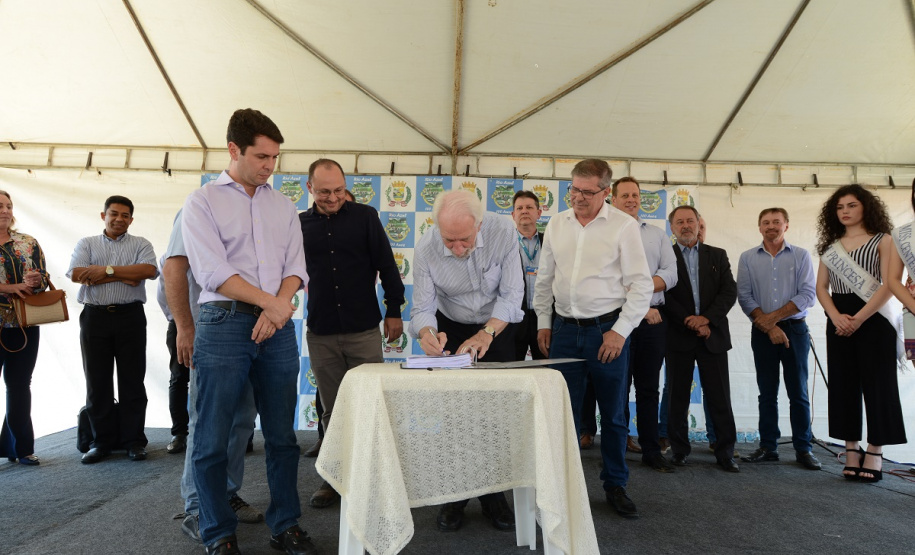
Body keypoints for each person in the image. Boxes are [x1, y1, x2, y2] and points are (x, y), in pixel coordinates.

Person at [182, 108, 318, 554]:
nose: (270, 166)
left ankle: (286, 524)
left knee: (282, 435)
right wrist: (272, 304)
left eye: (275, 157)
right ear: (233, 150)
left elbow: (295, 267)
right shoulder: (201, 202)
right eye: (261, 156)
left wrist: (278, 308)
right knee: (212, 434)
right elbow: (210, 271)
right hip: (223, 324)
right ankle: (217, 533)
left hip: (276, 328)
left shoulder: (283, 206)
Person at [533, 160, 653, 519]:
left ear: (605, 191)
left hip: (607, 331)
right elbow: (544, 278)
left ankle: (615, 485)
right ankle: (559, 489)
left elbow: (641, 285)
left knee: (613, 416)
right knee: (561, 414)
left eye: (587, 191)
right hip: (564, 331)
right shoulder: (556, 223)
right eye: (573, 189)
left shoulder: (624, 226)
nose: (578, 197)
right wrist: (543, 321)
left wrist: (620, 331)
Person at [411, 189, 523, 533]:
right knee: (455, 414)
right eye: (450, 241)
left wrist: (487, 333)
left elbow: (512, 294)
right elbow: (422, 308)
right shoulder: (426, 248)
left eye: (465, 240)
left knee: (497, 415)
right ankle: (454, 495)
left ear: (480, 224)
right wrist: (428, 332)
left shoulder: (504, 231)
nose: (457, 249)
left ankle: (493, 496)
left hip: (499, 326)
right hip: (452, 325)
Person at [299, 158, 405, 508]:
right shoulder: (297, 225)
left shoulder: (365, 217)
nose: (333, 198)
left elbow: (387, 265)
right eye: (325, 191)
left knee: (370, 407)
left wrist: (393, 310)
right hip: (322, 332)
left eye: (339, 190)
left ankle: (373, 478)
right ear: (309, 188)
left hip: (363, 330)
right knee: (333, 411)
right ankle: (334, 480)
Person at [159, 211, 263, 543]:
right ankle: (197, 506)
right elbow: (171, 273)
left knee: (242, 420)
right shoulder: (198, 209)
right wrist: (184, 327)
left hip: (247, 331)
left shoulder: (255, 215)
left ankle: (227, 493)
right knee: (207, 421)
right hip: (206, 329)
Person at [815, 184, 906, 483]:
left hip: (874, 317)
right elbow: (821, 287)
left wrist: (859, 318)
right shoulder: (831, 247)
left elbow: (889, 285)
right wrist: (835, 316)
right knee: (843, 383)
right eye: (840, 207)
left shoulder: (885, 240)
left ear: (866, 206)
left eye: (851, 205)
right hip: (839, 318)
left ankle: (875, 450)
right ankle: (850, 448)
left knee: (878, 384)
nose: (845, 211)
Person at [67, 195, 158, 464]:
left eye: (125, 215)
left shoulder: (141, 244)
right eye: (114, 214)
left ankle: (134, 441)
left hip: (130, 317)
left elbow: (149, 270)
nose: (119, 219)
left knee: (132, 380)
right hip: (95, 318)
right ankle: (101, 442)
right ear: (103, 215)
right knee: (97, 382)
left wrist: (105, 271)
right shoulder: (87, 243)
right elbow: (75, 273)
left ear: (131, 219)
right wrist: (125, 274)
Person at [737, 208, 821, 470]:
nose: (771, 226)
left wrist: (772, 319)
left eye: (776, 222)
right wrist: (769, 325)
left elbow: (808, 294)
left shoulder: (801, 256)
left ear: (787, 225)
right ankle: (768, 446)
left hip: (795, 330)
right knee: (767, 392)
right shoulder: (748, 257)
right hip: (762, 331)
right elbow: (744, 295)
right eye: (766, 222)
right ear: (759, 227)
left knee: (798, 392)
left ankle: (803, 449)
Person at [664, 205, 739, 473]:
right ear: (672, 227)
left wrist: (706, 320)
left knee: (719, 396)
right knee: (677, 397)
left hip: (713, 335)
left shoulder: (717, 255)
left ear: (699, 224)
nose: (685, 225)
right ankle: (679, 450)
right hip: (679, 336)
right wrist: (689, 320)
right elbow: (665, 296)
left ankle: (725, 451)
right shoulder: (666, 257)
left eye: (690, 221)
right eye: (680, 222)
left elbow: (729, 292)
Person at [610, 177, 678, 472]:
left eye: (635, 195)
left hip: (653, 323)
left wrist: (641, 296)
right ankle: (617, 447)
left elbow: (671, 274)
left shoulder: (657, 235)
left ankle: (651, 449)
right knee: (617, 388)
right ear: (613, 199)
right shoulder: (604, 232)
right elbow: (608, 279)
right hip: (617, 321)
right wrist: (642, 304)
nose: (631, 199)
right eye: (624, 195)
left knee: (648, 389)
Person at [305, 187, 358, 460]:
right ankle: (331, 463)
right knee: (329, 402)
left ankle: (365, 469)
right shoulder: (304, 225)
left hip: (359, 327)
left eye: (343, 203)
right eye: (328, 197)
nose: (335, 205)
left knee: (362, 403)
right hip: (322, 327)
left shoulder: (362, 228)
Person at [0, 190, 49, 466]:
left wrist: (36, 280)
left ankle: (22, 449)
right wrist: (9, 287)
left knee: (19, 385)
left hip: (24, 323)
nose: (5, 210)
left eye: (8, 206)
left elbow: (44, 278)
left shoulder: (28, 243)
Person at [510, 190, 547, 361]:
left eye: (529, 207)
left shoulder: (550, 242)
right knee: (512, 370)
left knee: (547, 369)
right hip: (515, 317)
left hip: (545, 317)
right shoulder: (505, 245)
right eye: (520, 208)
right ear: (513, 214)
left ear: (539, 213)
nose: (524, 211)